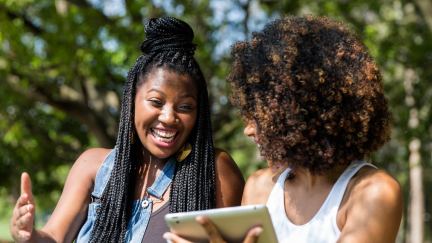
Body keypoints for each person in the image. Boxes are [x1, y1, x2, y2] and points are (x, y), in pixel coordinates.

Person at [164, 16, 403, 243]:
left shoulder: (372, 192)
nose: (248, 130)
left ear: (299, 115)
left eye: (259, 116)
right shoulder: (260, 188)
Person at [10, 16, 244, 243]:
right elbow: (54, 238)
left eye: (185, 107)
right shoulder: (93, 167)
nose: (169, 117)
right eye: (156, 102)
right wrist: (28, 235)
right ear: (131, 102)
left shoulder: (214, 170)